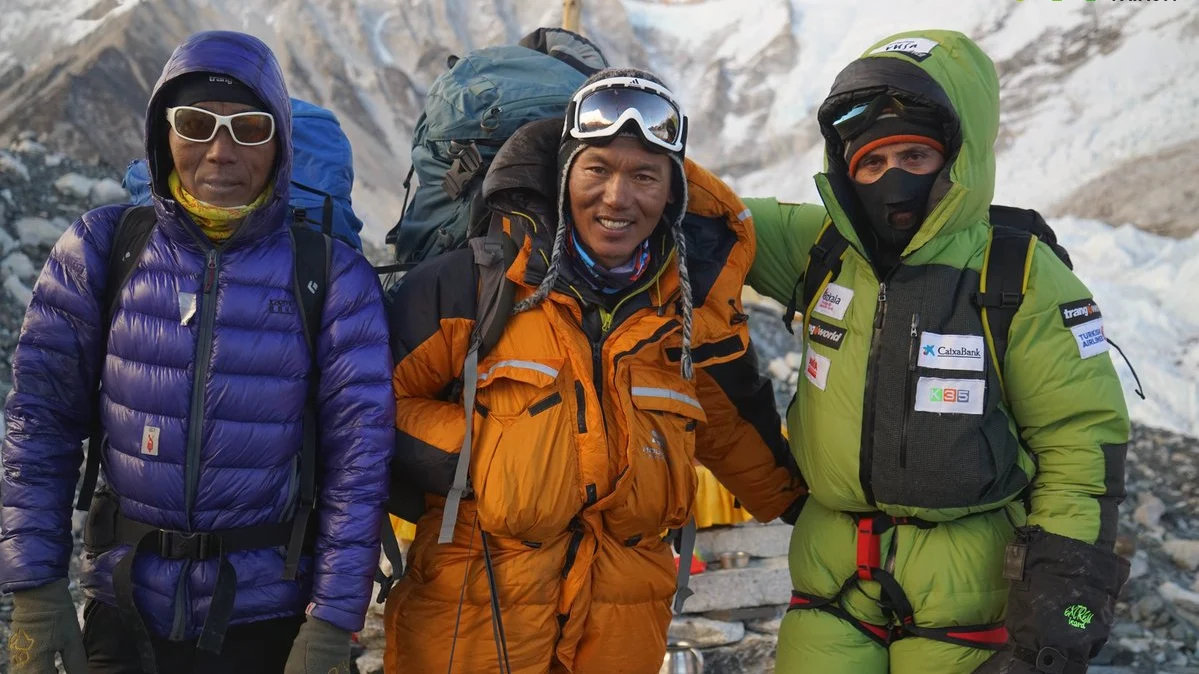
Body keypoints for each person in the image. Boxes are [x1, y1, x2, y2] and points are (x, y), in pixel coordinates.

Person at [383, 67, 805, 673]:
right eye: (597, 169)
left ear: (673, 193)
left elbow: (736, 433)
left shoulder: (685, 315)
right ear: (564, 177)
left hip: (620, 631)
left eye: (644, 176)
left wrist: (811, 509)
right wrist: (486, 455)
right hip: (472, 620)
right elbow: (371, 403)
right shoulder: (472, 285)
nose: (617, 197)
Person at [0, 30, 394, 674]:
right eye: (195, 123)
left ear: (280, 144)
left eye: (249, 128)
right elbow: (39, 424)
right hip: (123, 612)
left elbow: (360, 461)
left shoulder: (333, 277)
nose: (220, 151)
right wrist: (36, 590)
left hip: (270, 621)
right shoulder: (101, 250)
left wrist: (329, 624)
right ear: (162, 133)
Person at [745, 29, 1131, 674]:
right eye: (871, 163)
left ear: (959, 158)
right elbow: (690, 212)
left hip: (969, 604)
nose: (891, 178)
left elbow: (1079, 444)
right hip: (829, 594)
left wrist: (1064, 605)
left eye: (914, 155)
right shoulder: (822, 249)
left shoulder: (1020, 275)